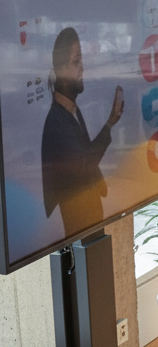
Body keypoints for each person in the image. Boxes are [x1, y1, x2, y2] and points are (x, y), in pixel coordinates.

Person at [41, 26, 125, 238]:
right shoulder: (57, 124)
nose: (82, 69)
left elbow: (85, 155)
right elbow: (84, 163)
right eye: (76, 62)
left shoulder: (72, 110)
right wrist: (109, 124)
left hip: (91, 227)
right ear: (60, 71)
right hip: (79, 231)